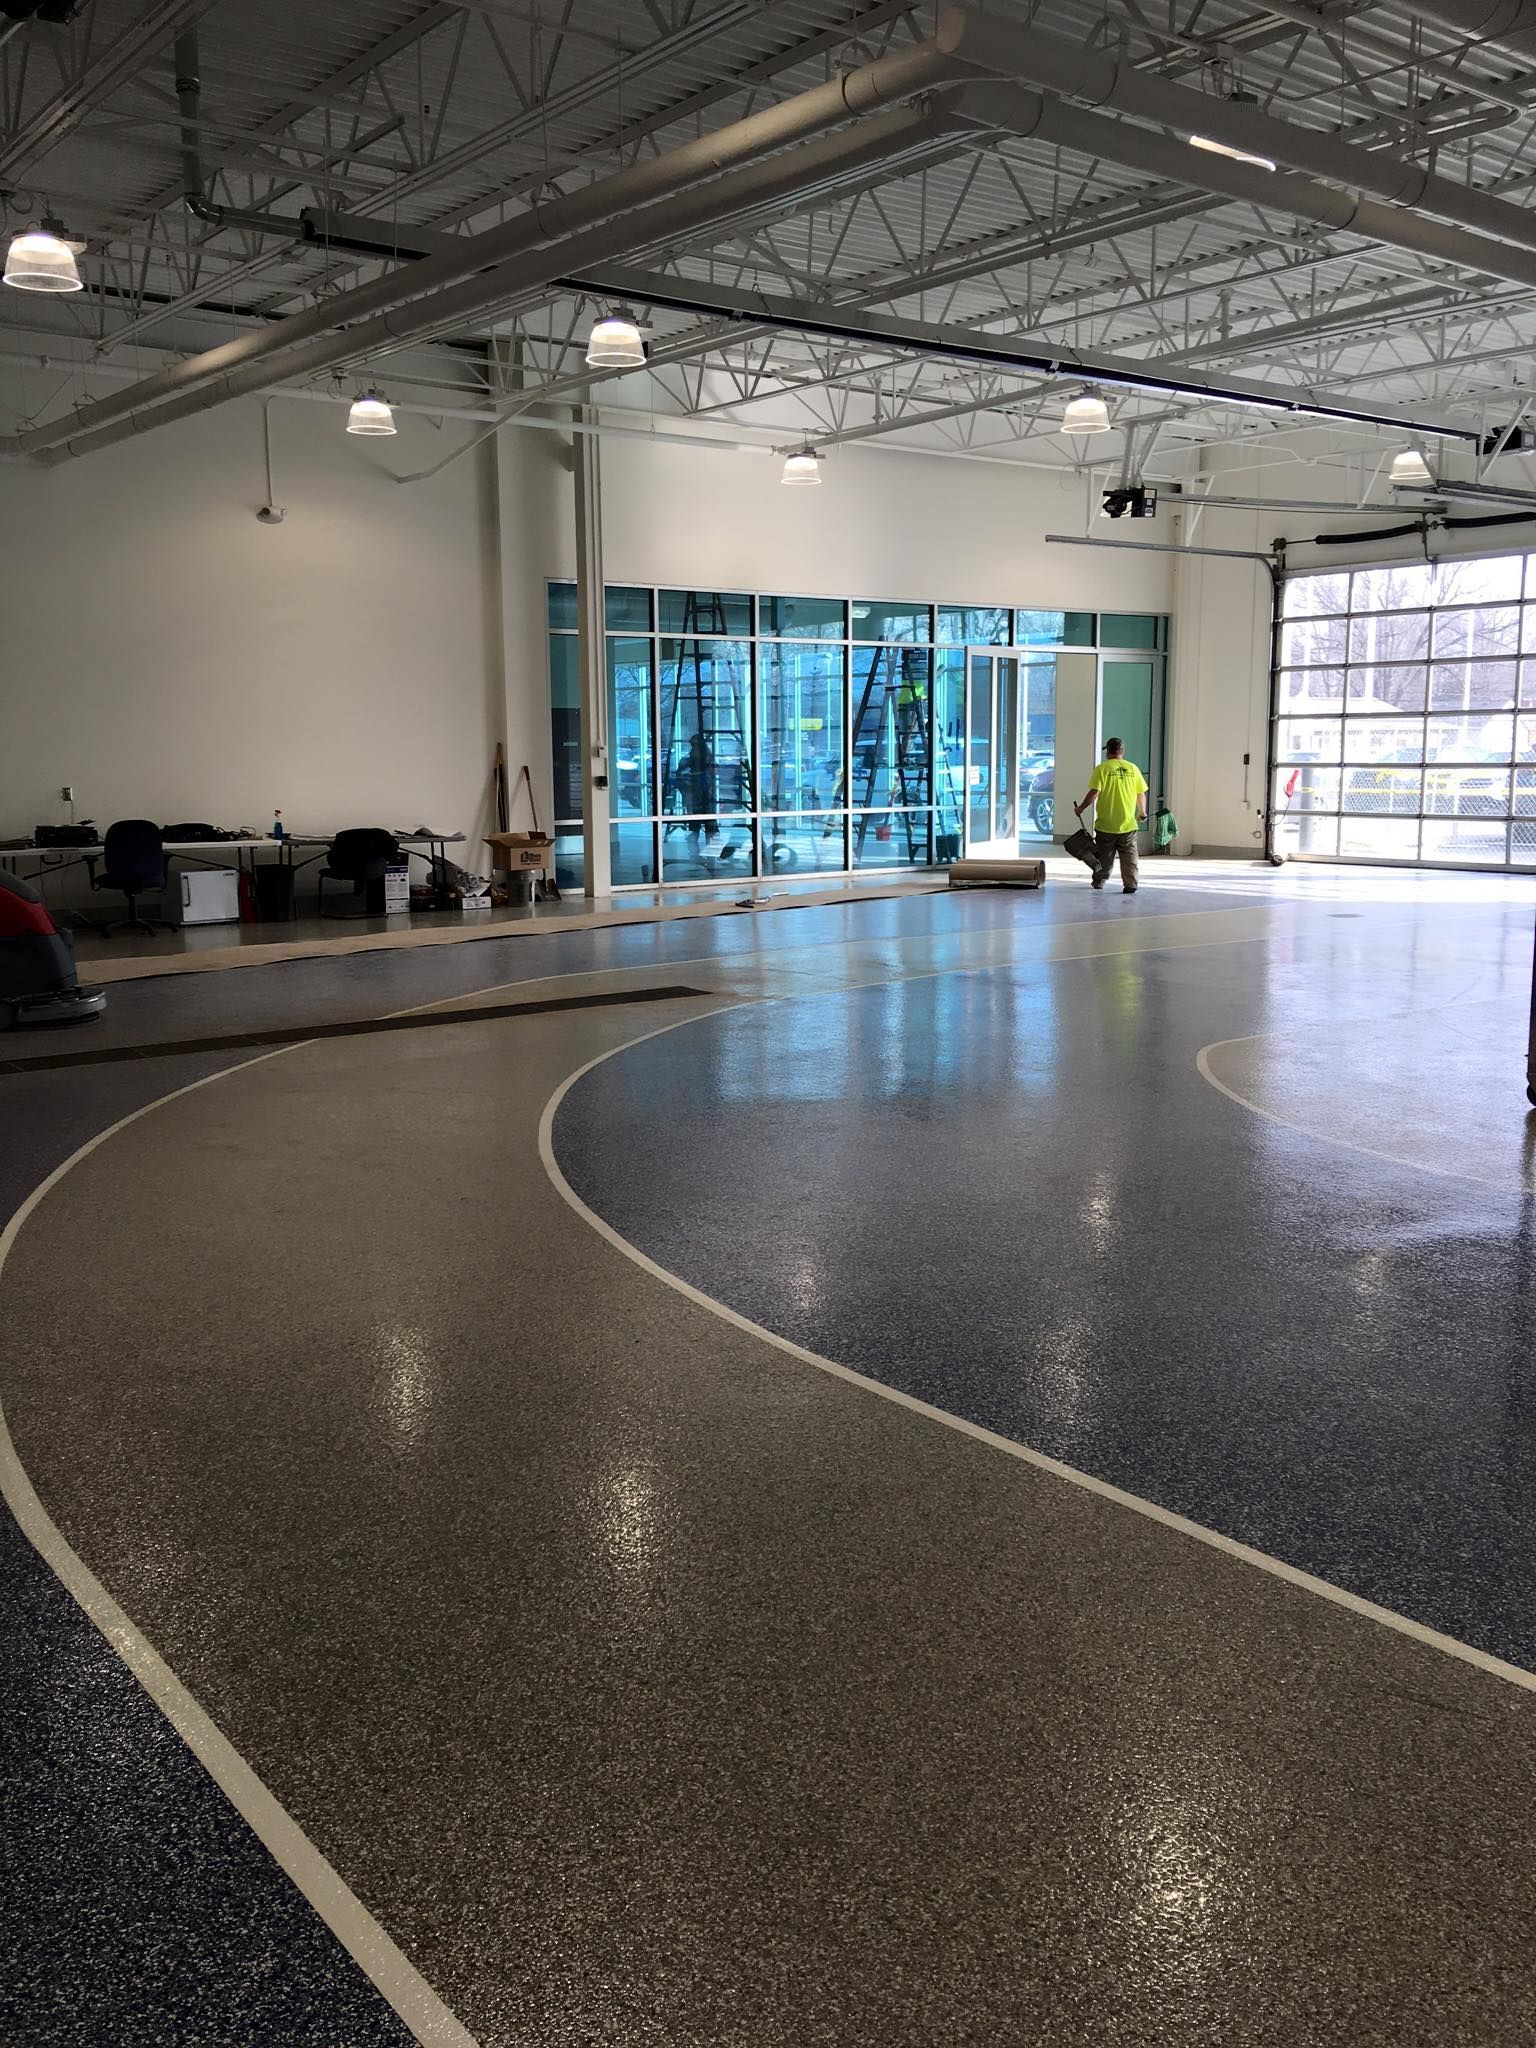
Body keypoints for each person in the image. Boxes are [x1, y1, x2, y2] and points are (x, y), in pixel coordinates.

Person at [1074, 737, 1148, 893]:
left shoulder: (1102, 769)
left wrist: (1081, 808)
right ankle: (1130, 884)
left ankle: (1099, 881)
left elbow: (1094, 792)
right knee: (1130, 858)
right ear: (1122, 751)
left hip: (1106, 825)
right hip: (1128, 824)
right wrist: (1142, 812)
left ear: (1108, 751)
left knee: (1104, 858)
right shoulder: (1133, 769)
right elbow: (1140, 793)